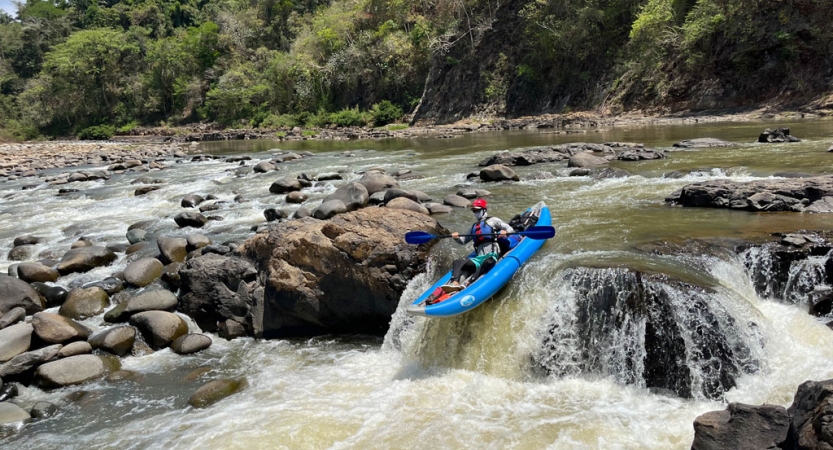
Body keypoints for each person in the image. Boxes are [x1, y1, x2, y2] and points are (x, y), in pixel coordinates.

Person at [441, 198, 515, 293]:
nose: (476, 212)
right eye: (474, 211)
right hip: (478, 259)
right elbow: (463, 241)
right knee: (457, 262)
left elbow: (510, 229)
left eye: (478, 210)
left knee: (488, 262)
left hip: (492, 256)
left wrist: (506, 232)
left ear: (484, 210)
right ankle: (455, 282)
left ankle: (469, 283)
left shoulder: (493, 220)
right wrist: (456, 238)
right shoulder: (474, 227)